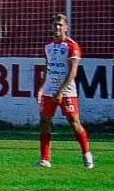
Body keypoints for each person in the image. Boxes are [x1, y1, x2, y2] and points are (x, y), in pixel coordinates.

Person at [37, 13, 94, 170]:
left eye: (60, 25)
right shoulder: (48, 47)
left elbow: (73, 72)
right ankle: (45, 159)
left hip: (67, 91)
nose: (57, 27)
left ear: (66, 27)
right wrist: (41, 88)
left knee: (74, 122)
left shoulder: (72, 46)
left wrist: (61, 91)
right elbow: (47, 68)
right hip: (50, 90)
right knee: (44, 121)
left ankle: (87, 154)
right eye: (55, 24)